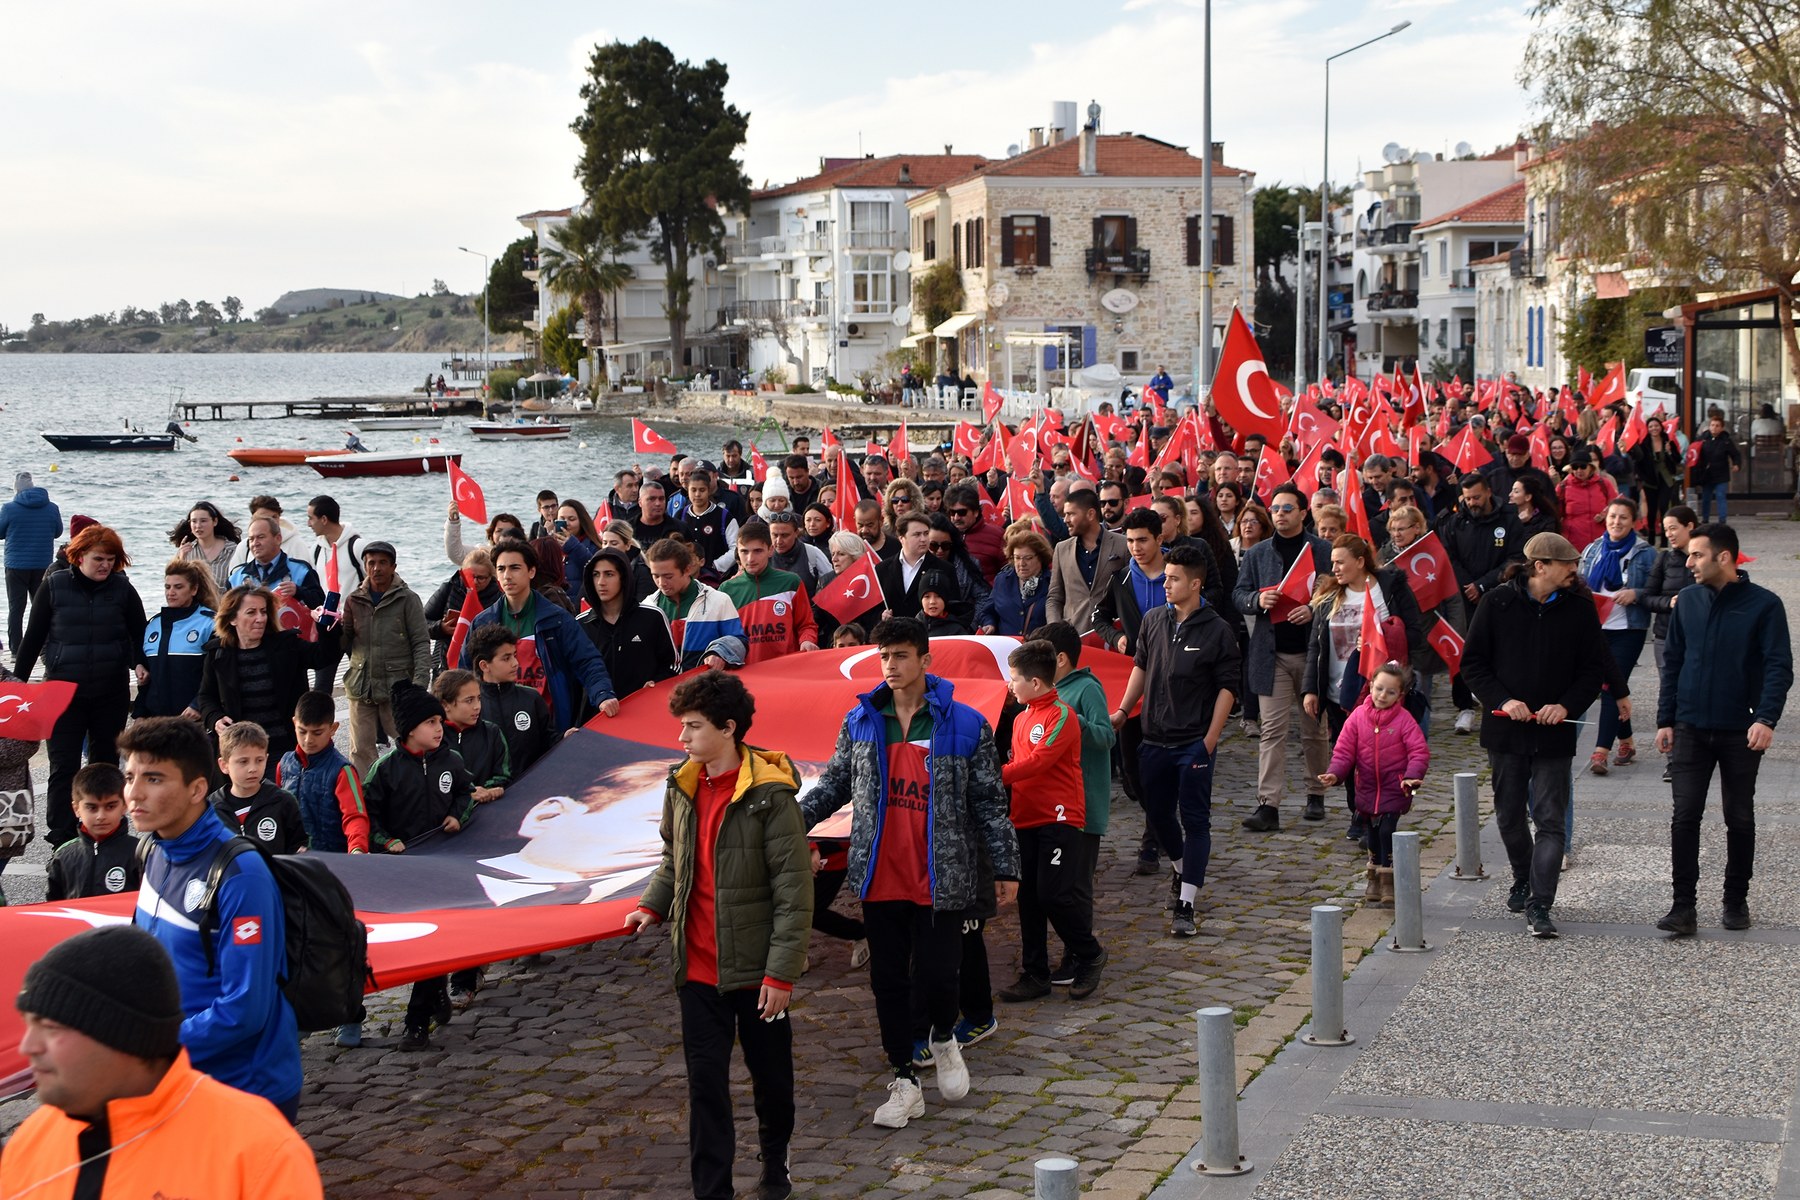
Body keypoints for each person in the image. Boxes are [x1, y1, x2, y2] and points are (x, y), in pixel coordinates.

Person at [797, 618, 1020, 1130]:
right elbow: (834, 785)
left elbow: (988, 801)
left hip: (942, 877)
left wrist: (1005, 864)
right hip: (880, 878)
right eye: (884, 657)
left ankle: (944, 1036)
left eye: (901, 655)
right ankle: (903, 1079)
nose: (891, 666)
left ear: (925, 660)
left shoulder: (965, 724)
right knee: (888, 982)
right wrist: (791, 822)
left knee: (941, 975)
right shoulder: (860, 721)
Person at [626, 672, 811, 1200]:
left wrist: (781, 973)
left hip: (757, 973)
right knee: (705, 1087)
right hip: (698, 969)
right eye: (681, 727)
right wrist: (651, 906)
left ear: (728, 729)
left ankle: (776, 1161)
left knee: (772, 1082)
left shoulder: (772, 799)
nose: (681, 738)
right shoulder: (681, 786)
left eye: (693, 727)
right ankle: (713, 1191)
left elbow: (794, 893)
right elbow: (673, 859)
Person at [3, 925, 325, 1199]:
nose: (28, 1047)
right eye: (29, 1023)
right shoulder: (29, 1143)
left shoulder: (259, 1152)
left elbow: (248, 1002)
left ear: (122, 1036)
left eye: (51, 1027)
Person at [123, 715, 303, 1115]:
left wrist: (152, 1046)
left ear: (197, 788)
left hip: (242, 1091)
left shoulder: (241, 875)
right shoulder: (152, 850)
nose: (133, 794)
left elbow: (245, 1009)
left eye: (153, 779)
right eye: (130, 776)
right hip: (177, 1081)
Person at [1460, 532, 1607, 939]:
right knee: (1508, 815)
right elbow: (1473, 664)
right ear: (1540, 566)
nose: (1574, 571)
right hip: (1506, 731)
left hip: (1555, 733)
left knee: (1550, 820)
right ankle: (1523, 877)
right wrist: (1505, 700)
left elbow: (1593, 669)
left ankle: (1540, 903)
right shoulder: (1497, 603)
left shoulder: (1579, 607)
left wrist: (1567, 705)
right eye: (1567, 564)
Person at [1655, 522, 1793, 936]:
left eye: (1697, 555)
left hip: (1741, 729)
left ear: (1724, 557)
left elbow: (1778, 667)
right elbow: (1673, 664)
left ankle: (1735, 901)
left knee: (1740, 817)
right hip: (1691, 727)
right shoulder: (1689, 602)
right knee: (1685, 817)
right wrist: (1666, 719)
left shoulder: (1764, 605)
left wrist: (1765, 718)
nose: (1688, 562)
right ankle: (1683, 907)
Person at [1109, 544, 1239, 935]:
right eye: (1166, 576)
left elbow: (1228, 689)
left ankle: (1186, 904)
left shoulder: (1218, 630)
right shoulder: (1152, 621)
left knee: (1196, 821)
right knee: (1159, 814)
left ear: (1195, 583)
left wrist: (1210, 740)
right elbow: (1141, 668)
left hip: (1193, 743)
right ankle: (1181, 869)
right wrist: (1122, 710)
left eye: (1174, 578)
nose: (1165, 583)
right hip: (1153, 739)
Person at [15, 523, 147, 848]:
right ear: (79, 557)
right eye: (99, 559)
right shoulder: (55, 585)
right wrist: (17, 685)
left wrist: (141, 662)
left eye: (110, 560)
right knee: (64, 766)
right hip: (62, 693)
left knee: (104, 764)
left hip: (110, 691)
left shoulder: (123, 589)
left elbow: (139, 635)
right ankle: (61, 838)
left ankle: (109, 831)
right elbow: (32, 639)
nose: (105, 565)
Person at [365, 680, 476, 1050]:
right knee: (420, 944)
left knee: (440, 937)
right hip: (405, 869)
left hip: (444, 866)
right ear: (410, 729)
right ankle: (436, 991)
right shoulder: (385, 770)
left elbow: (465, 792)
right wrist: (386, 841)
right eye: (430, 722)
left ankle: (416, 1021)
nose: (438, 727)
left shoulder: (451, 761)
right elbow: (369, 817)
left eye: (438, 720)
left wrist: (458, 816)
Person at [995, 640, 1104, 1002]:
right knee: (1029, 898)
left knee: (1054, 893)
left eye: (1014, 678)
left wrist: (995, 775)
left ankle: (1089, 954)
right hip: (1025, 818)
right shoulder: (1021, 717)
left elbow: (1039, 762)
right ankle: (1035, 974)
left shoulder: (1061, 715)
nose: (1010, 685)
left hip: (1060, 817)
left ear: (1036, 683)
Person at [1301, 534, 1424, 842]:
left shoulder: (1390, 588)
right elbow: (1316, 646)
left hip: (1381, 690)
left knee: (1380, 757)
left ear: (1360, 561)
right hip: (1339, 690)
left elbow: (1415, 631)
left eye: (1340, 562)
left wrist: (1380, 636)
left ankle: (1380, 814)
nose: (1335, 568)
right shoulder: (1329, 596)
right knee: (1350, 755)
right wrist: (1310, 689)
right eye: (1332, 563)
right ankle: (1358, 812)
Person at [1233, 483, 1332, 833]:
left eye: (1288, 508)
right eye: (1275, 509)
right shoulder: (1258, 553)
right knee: (1272, 730)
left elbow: (1339, 593)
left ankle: (1316, 792)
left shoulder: (1322, 549)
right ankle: (1268, 805)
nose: (1280, 514)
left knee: (1314, 730)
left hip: (1311, 652)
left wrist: (1313, 608)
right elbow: (1239, 594)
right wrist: (1256, 602)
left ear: (1304, 513)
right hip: (1270, 652)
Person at [462, 538, 618, 733]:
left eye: (515, 568)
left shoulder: (557, 619)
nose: (507, 576)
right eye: (501, 569)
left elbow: (587, 661)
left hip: (548, 726)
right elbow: (465, 672)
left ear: (531, 571)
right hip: (496, 726)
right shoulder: (482, 622)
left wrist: (603, 694)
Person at [1318, 661, 1429, 906]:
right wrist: (1335, 774)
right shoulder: (1358, 717)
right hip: (1366, 787)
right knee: (1372, 835)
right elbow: (1344, 751)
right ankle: (1373, 876)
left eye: (1390, 692)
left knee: (1388, 830)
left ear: (1400, 695)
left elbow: (1419, 751)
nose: (1383, 695)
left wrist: (1411, 775)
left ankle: (1388, 879)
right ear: (1370, 687)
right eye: (1379, 689)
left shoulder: (1404, 720)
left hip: (1394, 787)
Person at [197, 585, 330, 776]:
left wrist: (325, 626)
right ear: (233, 618)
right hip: (240, 751)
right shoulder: (218, 653)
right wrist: (214, 718)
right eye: (251, 613)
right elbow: (206, 696)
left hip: (284, 749)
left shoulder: (286, 645)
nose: (260, 618)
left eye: (263, 612)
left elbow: (323, 656)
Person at [1435, 472, 1523, 734]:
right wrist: (1468, 586)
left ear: (1487, 492)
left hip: (1499, 595)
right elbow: (1447, 557)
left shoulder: (1509, 520)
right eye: (1467, 498)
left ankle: (1497, 700)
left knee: (1497, 651)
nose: (1472, 502)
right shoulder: (1454, 521)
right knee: (1464, 651)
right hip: (1462, 598)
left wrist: (1484, 584)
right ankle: (1464, 706)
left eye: (1476, 497)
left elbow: (1515, 557)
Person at [339, 540, 431, 777]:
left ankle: (413, 785)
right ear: (365, 566)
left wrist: (419, 683)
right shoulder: (353, 600)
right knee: (360, 750)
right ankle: (367, 798)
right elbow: (346, 642)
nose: (376, 568)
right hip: (361, 686)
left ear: (393, 566)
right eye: (371, 563)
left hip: (398, 686)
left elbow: (421, 642)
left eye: (382, 563)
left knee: (409, 741)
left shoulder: (408, 599)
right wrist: (331, 628)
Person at [1578, 498, 1656, 775]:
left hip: (1628, 630)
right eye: (1612, 516)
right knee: (1609, 686)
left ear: (1633, 521)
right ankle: (1627, 740)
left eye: (1623, 517)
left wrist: (1637, 594)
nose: (1616, 522)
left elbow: (1657, 590)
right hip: (1596, 629)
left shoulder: (1645, 553)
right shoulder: (1593, 549)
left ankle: (1601, 751)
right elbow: (1577, 583)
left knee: (1612, 686)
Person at [578, 547, 679, 705]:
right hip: (596, 718)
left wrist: (657, 684)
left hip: (643, 714)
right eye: (595, 575)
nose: (601, 582)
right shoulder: (581, 623)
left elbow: (673, 665)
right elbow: (574, 678)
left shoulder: (652, 617)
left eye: (609, 574)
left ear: (624, 578)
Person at [280, 690, 370, 855]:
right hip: (294, 861)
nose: (308, 739)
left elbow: (355, 816)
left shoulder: (343, 770)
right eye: (302, 731)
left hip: (332, 860)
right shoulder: (284, 765)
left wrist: (357, 848)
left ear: (333, 728)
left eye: (317, 732)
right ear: (294, 723)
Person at [643, 537, 748, 671]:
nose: (661, 583)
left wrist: (720, 652)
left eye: (668, 576)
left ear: (687, 570)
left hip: (705, 687)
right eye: (656, 576)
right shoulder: (648, 606)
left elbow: (740, 641)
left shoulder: (719, 600)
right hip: (663, 688)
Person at [721, 522, 821, 662]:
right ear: (737, 551)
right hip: (745, 674)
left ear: (770, 550)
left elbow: (806, 625)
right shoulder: (727, 590)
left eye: (758, 551)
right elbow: (721, 638)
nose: (750, 559)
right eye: (744, 551)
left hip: (785, 670)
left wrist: (807, 641)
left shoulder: (791, 582)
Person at [136, 558, 219, 719]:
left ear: (194, 589)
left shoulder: (209, 624)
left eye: (178, 587)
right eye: (167, 587)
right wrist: (140, 713)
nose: (170, 592)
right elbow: (147, 677)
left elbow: (218, 673)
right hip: (156, 718)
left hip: (193, 717)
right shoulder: (154, 624)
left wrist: (197, 705)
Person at [209, 721, 307, 854]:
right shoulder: (211, 809)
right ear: (224, 765)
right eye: (243, 761)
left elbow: (299, 845)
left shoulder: (282, 801)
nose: (253, 769)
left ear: (266, 759)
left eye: (259, 760)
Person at [45, 763, 140, 901]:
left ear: (124, 805)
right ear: (77, 809)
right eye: (92, 808)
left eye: (110, 806)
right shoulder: (63, 857)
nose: (101, 816)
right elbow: (53, 908)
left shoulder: (140, 853)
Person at [470, 625, 556, 776]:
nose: (515, 663)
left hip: (532, 789)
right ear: (484, 665)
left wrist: (566, 738)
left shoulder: (531, 698)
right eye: (506, 658)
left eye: (514, 655)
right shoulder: (472, 706)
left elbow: (549, 742)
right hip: (491, 794)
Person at [1046, 489, 1129, 635]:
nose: (1065, 519)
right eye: (1065, 514)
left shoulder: (1123, 545)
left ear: (1091, 514)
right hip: (1074, 638)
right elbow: (1055, 597)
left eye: (1071, 514)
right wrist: (1055, 629)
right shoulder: (1061, 549)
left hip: (1114, 636)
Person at [305, 494, 364, 690]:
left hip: (355, 626)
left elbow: (376, 582)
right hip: (328, 626)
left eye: (311, 518)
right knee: (321, 686)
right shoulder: (316, 550)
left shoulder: (357, 546)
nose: (308, 524)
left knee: (363, 682)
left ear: (324, 519)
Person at [0, 470, 62, 652]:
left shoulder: (9, 508)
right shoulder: (52, 508)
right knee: (42, 608)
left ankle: (16, 648)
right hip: (43, 564)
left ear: (17, 490)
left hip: (16, 565)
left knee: (16, 608)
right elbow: (57, 532)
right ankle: (44, 645)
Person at [425, 547, 502, 674]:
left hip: (485, 665)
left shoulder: (499, 596)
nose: (475, 582)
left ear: (491, 577)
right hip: (446, 662)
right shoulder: (449, 588)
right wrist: (441, 627)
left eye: (481, 578)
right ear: (462, 572)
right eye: (470, 576)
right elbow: (421, 623)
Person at [229, 514, 326, 613]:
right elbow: (226, 614)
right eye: (251, 539)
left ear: (278, 539)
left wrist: (299, 591)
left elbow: (321, 606)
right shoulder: (237, 576)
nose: (255, 543)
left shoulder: (301, 570)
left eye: (261, 537)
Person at [975, 530, 1051, 635]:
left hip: (1039, 647)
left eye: (1028, 558)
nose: (1022, 563)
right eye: (1017, 558)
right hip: (1007, 647)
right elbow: (988, 612)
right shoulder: (1002, 580)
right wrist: (990, 623)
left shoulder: (1052, 582)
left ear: (1041, 558)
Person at [171, 500, 241, 591]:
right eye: (194, 521)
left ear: (215, 521)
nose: (198, 526)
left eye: (203, 521)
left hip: (224, 603)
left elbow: (239, 584)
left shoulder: (232, 550)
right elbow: (177, 585)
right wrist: (181, 560)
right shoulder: (186, 551)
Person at [1557, 448, 1618, 552]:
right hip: (1573, 544)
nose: (1579, 470)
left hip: (1601, 541)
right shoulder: (1563, 486)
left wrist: (1605, 515)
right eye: (1575, 467)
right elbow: (1556, 513)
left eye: (1583, 466)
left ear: (1590, 467)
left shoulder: (1604, 484)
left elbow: (1616, 506)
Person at [1634, 414, 1684, 541]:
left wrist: (1669, 452)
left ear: (1661, 427)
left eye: (1656, 426)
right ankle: (1651, 534)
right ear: (1648, 428)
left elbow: (1678, 459)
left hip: (1666, 479)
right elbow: (1638, 461)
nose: (1654, 428)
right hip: (1650, 481)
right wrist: (1642, 477)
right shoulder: (1644, 443)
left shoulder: (1668, 441)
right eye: (1651, 426)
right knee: (1651, 508)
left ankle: (1664, 536)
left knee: (1664, 506)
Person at [1690, 411, 1741, 523]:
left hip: (1721, 473)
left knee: (1720, 496)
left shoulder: (1726, 440)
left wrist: (1736, 464)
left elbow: (1735, 454)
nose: (1714, 428)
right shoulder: (1702, 439)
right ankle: (1705, 519)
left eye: (1717, 426)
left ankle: (1722, 520)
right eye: (1712, 425)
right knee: (1706, 497)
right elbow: (1694, 451)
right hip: (1707, 473)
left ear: (1722, 428)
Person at [552, 498, 605, 596]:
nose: (566, 523)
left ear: (581, 521)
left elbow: (594, 568)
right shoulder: (550, 545)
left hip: (580, 602)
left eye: (571, 519)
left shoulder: (593, 545)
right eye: (562, 519)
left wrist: (572, 546)